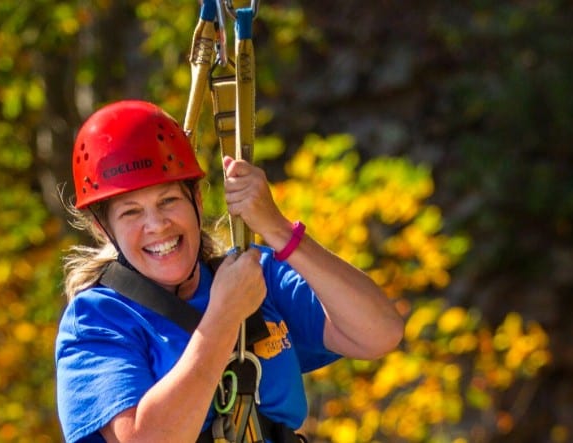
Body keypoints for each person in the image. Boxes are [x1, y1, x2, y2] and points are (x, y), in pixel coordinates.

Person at [55, 100, 404, 443]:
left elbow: (380, 332)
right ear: (103, 229)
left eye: (168, 201)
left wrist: (279, 231)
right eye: (131, 212)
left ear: (197, 199)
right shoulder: (98, 320)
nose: (157, 225)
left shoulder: (254, 276)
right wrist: (224, 316)